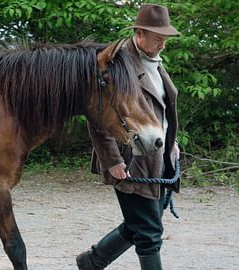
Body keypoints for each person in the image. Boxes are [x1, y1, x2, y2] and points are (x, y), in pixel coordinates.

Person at [76, 4, 181, 270]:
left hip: (160, 156)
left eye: (165, 40)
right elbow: (99, 115)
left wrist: (172, 142)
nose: (163, 46)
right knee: (149, 234)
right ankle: (92, 261)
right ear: (139, 33)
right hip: (131, 160)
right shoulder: (119, 63)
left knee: (142, 223)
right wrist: (111, 160)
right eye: (158, 39)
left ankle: (92, 261)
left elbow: (161, 109)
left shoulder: (154, 61)